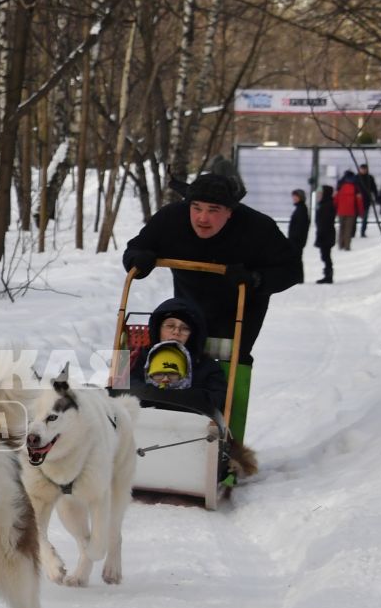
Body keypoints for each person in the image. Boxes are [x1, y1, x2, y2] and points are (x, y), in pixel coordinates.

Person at [120, 158, 302, 444]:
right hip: (187, 311)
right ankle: (137, 432)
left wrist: (255, 280)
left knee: (226, 370)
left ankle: (228, 444)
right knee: (156, 358)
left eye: (213, 211)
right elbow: (135, 249)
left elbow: (292, 270)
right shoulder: (171, 219)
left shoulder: (257, 228)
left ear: (230, 212)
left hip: (239, 310)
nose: (202, 218)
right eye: (197, 208)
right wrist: (137, 260)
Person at [130, 295, 229, 417]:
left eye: (185, 328)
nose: (176, 332)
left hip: (190, 429)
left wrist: (159, 396)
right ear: (158, 328)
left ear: (192, 335)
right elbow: (120, 390)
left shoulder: (207, 365)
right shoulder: (136, 356)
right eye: (170, 326)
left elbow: (216, 399)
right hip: (143, 422)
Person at [313, 184, 336, 283]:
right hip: (325, 234)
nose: (318, 195)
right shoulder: (324, 204)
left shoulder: (327, 205)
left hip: (326, 235)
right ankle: (327, 274)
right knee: (325, 255)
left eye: (320, 193)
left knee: (326, 256)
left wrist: (321, 235)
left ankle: (328, 275)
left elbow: (325, 223)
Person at [334, 170, 360, 250]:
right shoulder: (355, 187)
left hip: (341, 210)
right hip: (351, 210)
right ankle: (347, 246)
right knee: (348, 229)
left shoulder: (340, 186)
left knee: (342, 227)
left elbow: (335, 199)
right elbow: (359, 200)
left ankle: (340, 244)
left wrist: (335, 209)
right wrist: (360, 211)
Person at [355, 163, 378, 236]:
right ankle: (352, 232)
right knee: (354, 217)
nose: (364, 170)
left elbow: (374, 188)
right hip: (357, 200)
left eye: (365, 169)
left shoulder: (369, 178)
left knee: (365, 217)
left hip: (366, 200)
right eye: (362, 169)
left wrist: (376, 197)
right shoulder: (356, 178)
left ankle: (363, 232)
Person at [288, 187, 309, 254]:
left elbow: (301, 226)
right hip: (296, 240)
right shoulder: (300, 208)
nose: (294, 198)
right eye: (293, 196)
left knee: (296, 259)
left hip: (297, 241)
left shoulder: (301, 209)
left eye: (296, 196)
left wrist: (294, 238)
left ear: (301, 197)